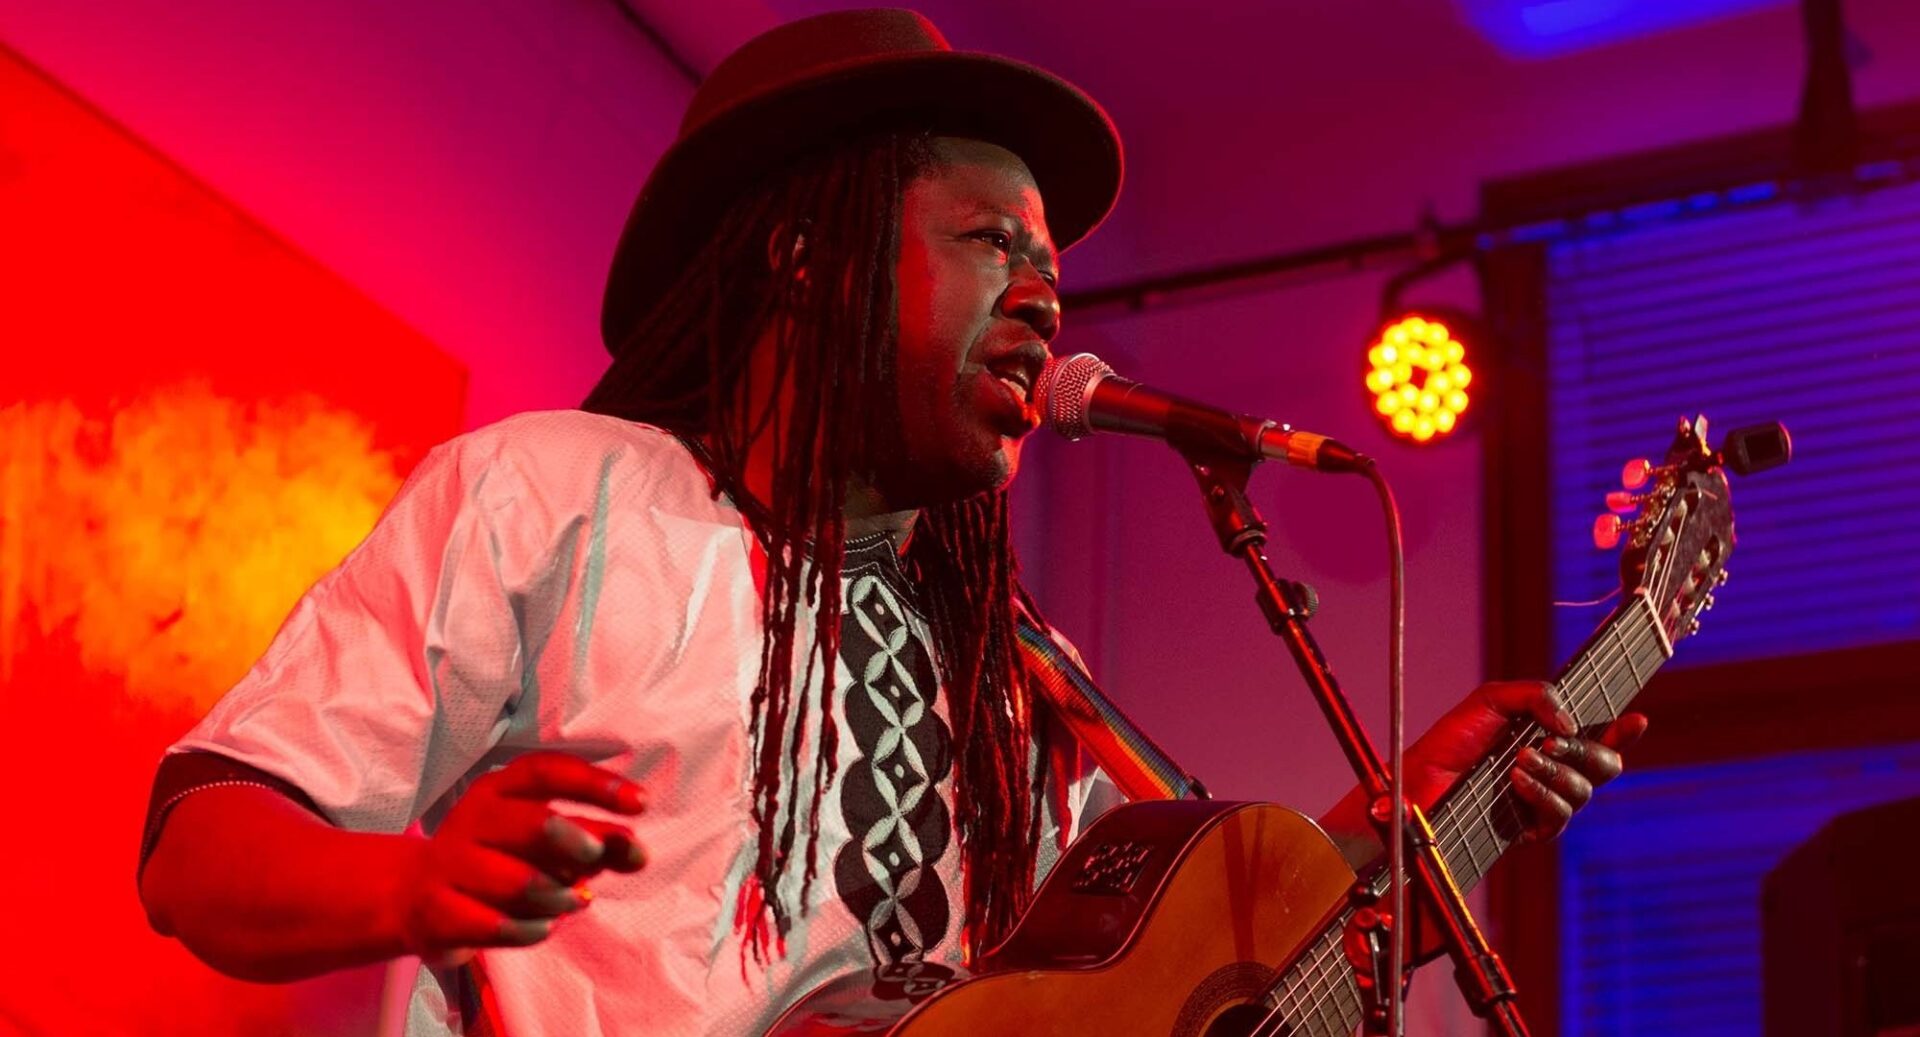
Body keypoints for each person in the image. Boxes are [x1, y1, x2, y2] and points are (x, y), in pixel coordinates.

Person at [135, 9, 1646, 1036]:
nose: (1046, 295)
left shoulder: (1014, 663)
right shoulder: (552, 496)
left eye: (1051, 262)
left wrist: (1414, 846)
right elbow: (201, 841)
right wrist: (405, 881)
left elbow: (1160, 993)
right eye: (990, 241)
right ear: (809, 253)